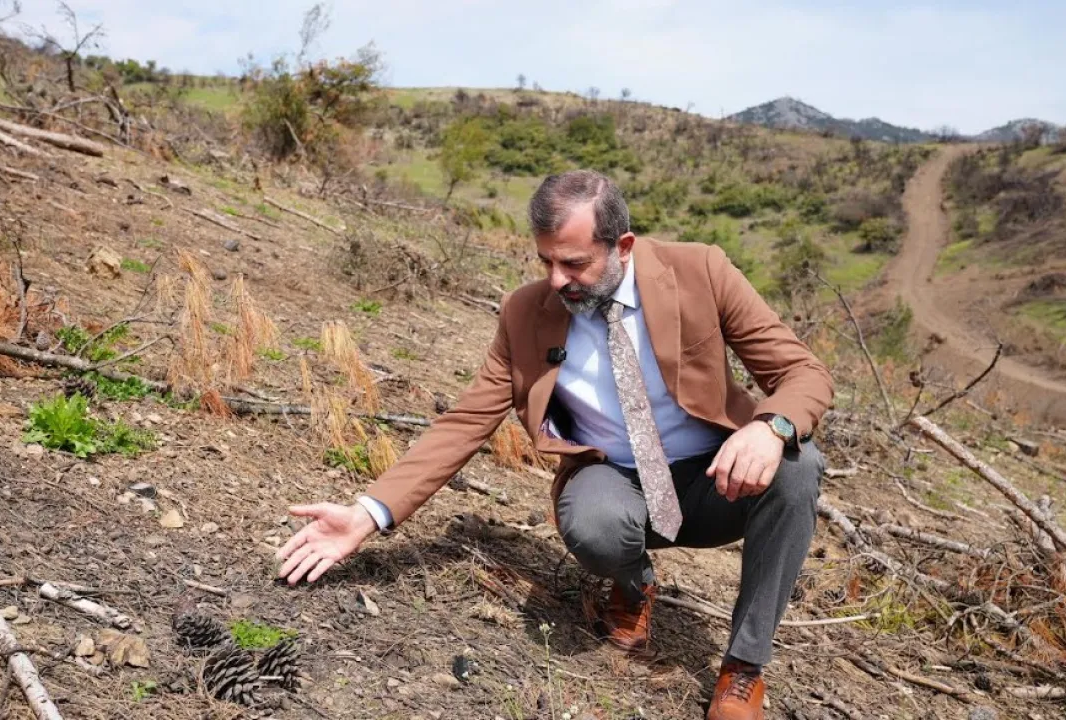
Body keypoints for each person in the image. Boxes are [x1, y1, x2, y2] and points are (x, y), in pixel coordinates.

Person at [278, 169, 833, 720]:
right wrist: (368, 514)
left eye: (573, 263)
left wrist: (771, 428)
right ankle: (633, 584)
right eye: (545, 261)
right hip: (615, 480)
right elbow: (466, 421)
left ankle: (743, 668)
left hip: (719, 479)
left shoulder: (701, 271)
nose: (556, 280)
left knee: (798, 464)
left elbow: (803, 372)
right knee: (593, 524)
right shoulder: (526, 313)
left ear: (623, 246)